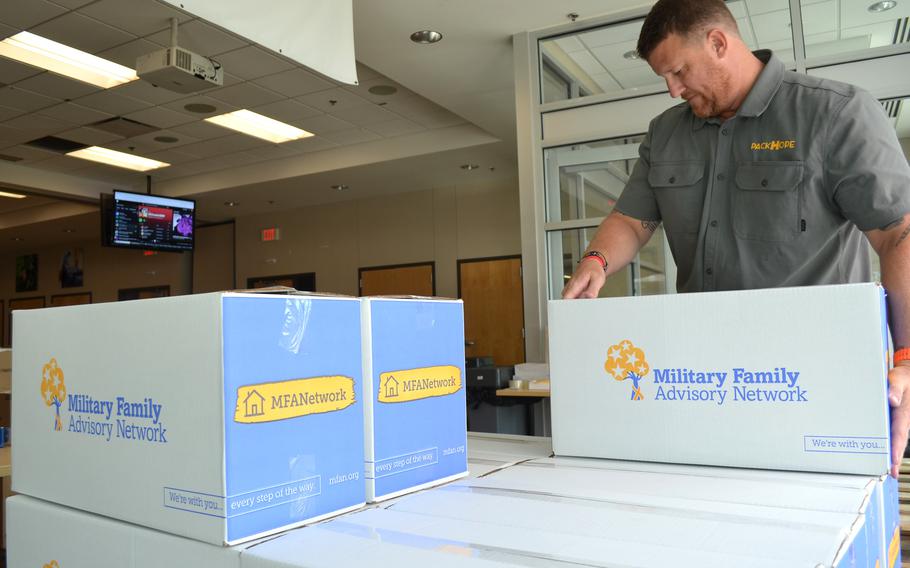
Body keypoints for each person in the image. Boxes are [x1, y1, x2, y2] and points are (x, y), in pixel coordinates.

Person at [560, 0, 910, 477]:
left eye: (679, 71)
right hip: (701, 383)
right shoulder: (666, 134)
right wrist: (596, 260)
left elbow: (899, 234)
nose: (672, 89)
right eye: (664, 78)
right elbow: (630, 219)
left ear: (719, 43)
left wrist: (907, 357)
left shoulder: (834, 113)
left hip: (810, 384)